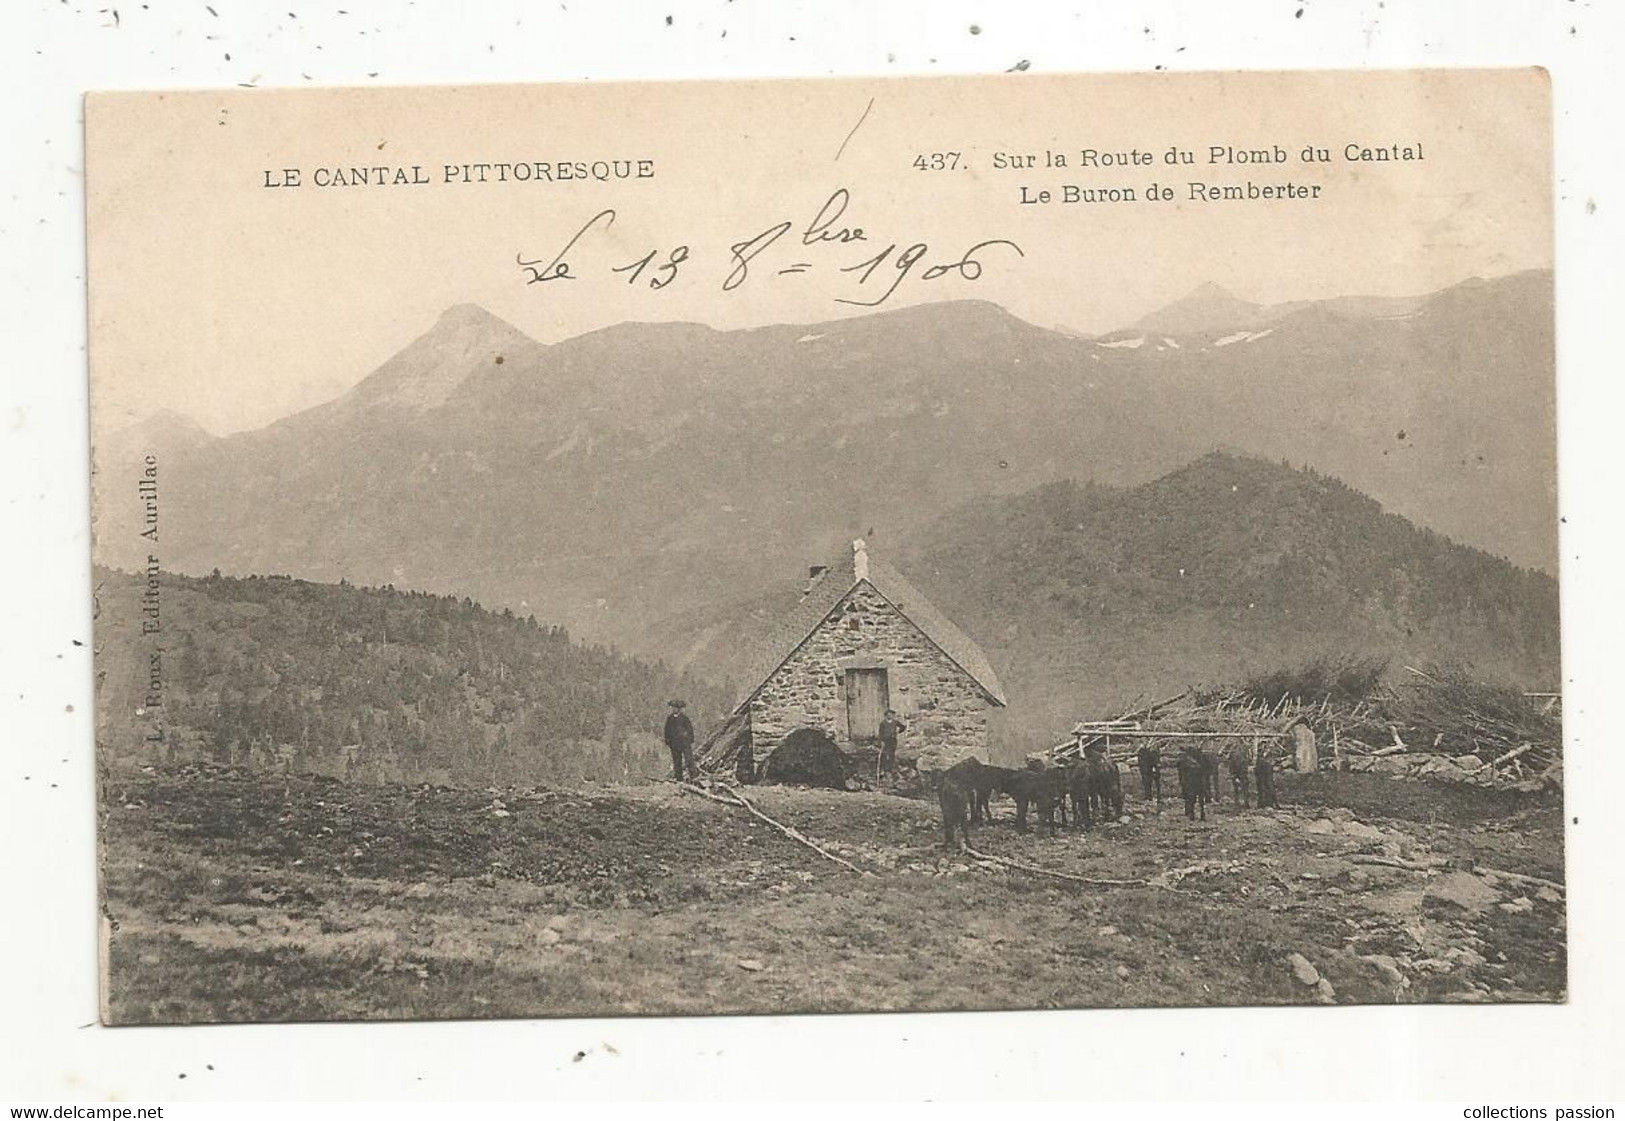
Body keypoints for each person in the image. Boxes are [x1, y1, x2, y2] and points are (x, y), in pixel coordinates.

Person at [663, 699, 695, 782]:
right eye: (673, 707)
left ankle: (693, 777)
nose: (674, 709)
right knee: (677, 762)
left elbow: (690, 730)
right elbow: (667, 731)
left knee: (689, 760)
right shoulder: (669, 719)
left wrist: (689, 740)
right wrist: (668, 741)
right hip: (674, 744)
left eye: (676, 708)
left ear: (679, 709)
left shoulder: (685, 718)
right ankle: (679, 779)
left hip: (684, 743)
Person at [1175, 743, 1207, 821]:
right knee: (1199, 798)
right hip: (1199, 781)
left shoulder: (1184, 761)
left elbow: (1181, 773)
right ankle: (1201, 814)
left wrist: (1182, 782)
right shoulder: (1199, 760)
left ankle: (1192, 814)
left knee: (1190, 798)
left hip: (1190, 781)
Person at [877, 708, 906, 781]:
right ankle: (885, 769)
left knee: (892, 754)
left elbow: (903, 727)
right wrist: (881, 741)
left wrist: (899, 731)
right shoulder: (883, 723)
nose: (890, 716)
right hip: (886, 740)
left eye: (892, 714)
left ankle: (891, 768)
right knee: (885, 754)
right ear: (886, 715)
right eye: (889, 714)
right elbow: (880, 733)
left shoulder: (895, 722)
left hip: (893, 740)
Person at [1255, 744, 1278, 809]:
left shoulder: (1265, 759)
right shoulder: (1261, 759)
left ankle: (1269, 804)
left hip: (1266, 777)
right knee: (1264, 791)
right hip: (1263, 777)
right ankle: (1265, 804)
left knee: (1268, 790)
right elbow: (1259, 769)